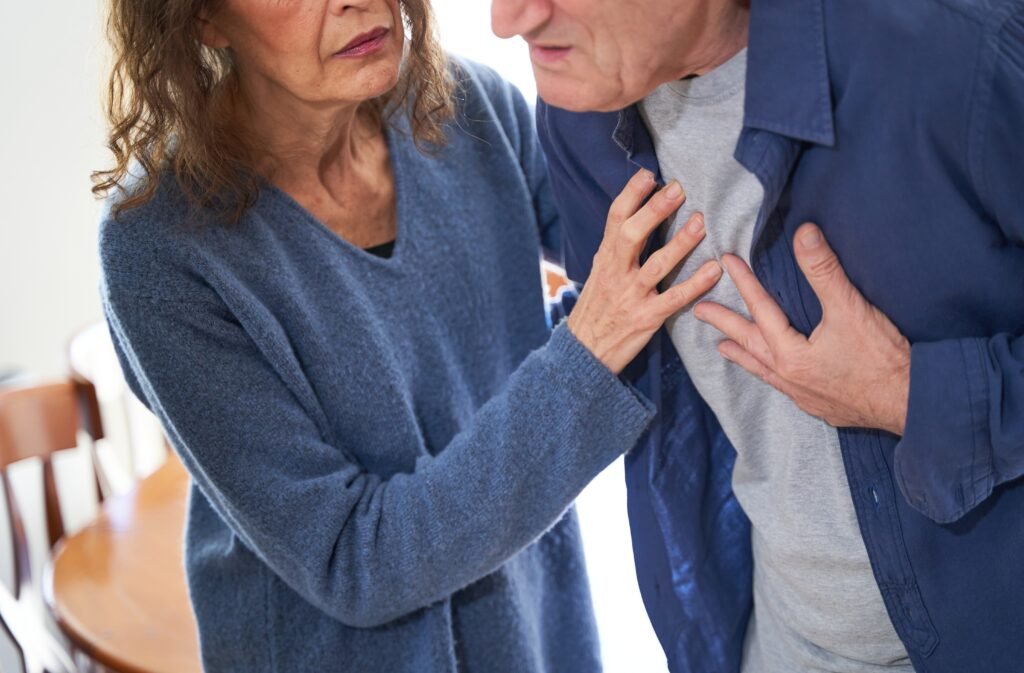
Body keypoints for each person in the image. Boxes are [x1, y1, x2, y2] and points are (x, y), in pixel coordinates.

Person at [93, 0, 725, 671]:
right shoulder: (158, 244)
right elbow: (353, 561)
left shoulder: (471, 107)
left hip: (532, 628)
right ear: (202, 20)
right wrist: (587, 354)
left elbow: (641, 275)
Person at [489, 0, 1024, 672]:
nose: (506, 20)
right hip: (779, 644)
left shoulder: (959, 45)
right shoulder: (576, 108)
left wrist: (907, 394)